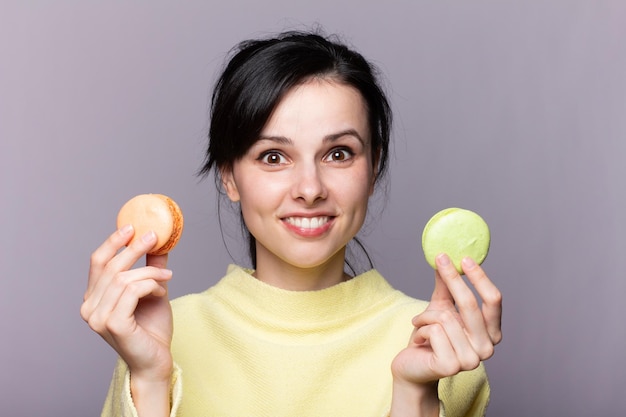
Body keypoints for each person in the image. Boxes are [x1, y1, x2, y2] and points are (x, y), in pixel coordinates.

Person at [81, 31, 502, 417]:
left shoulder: (443, 346)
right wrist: (151, 380)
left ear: (373, 169)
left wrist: (414, 394)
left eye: (338, 153)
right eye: (273, 157)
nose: (309, 188)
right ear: (229, 176)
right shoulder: (160, 337)